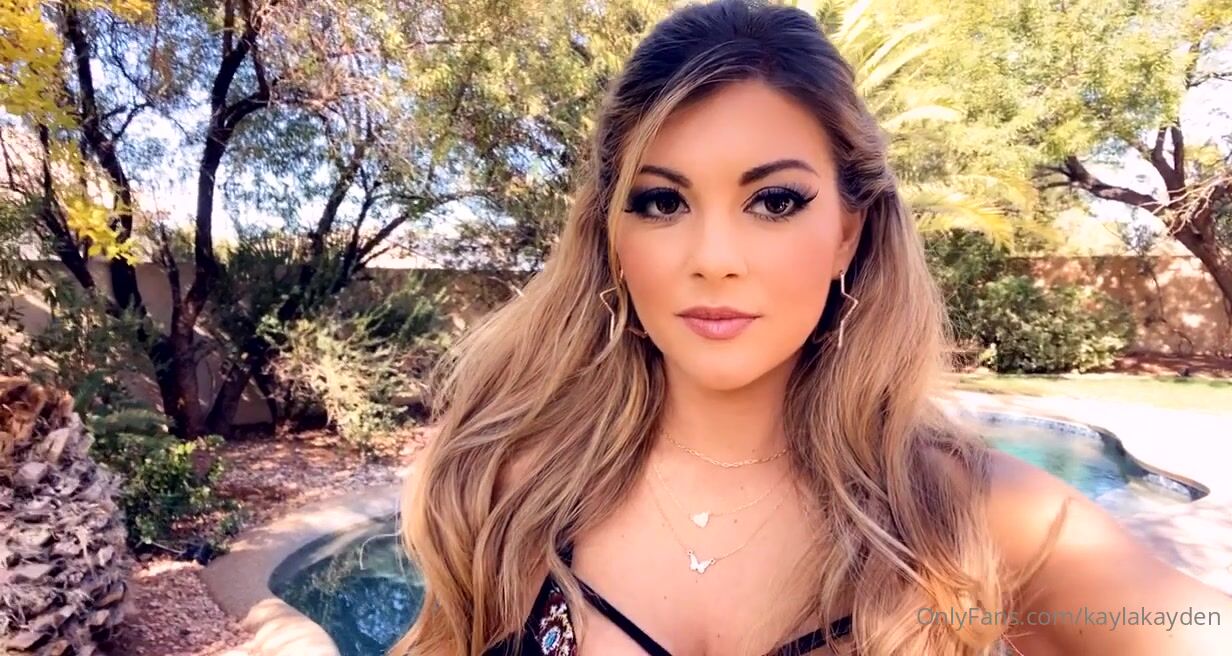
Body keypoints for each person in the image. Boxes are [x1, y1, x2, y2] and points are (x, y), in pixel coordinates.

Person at [394, 1, 1232, 654]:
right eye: (662, 201)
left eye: (774, 201)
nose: (713, 258)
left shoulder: (972, 516)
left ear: (847, 232)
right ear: (613, 237)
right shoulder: (503, 492)